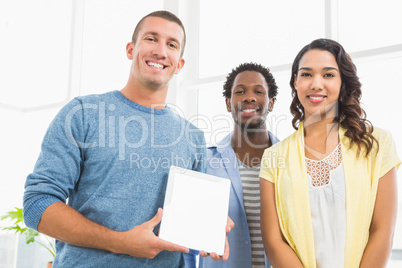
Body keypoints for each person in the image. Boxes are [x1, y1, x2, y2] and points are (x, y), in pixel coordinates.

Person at [23, 10, 233, 267]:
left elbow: (188, 226)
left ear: (179, 64)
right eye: (151, 39)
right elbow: (37, 204)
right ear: (130, 49)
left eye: (171, 44)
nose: (160, 51)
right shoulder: (83, 114)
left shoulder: (193, 138)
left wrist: (208, 225)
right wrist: (119, 241)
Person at [260, 38, 400, 268]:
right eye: (306, 74)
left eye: (328, 74)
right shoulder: (273, 157)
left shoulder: (377, 143)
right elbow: (274, 241)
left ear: (342, 81)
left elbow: (383, 229)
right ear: (295, 82)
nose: (316, 84)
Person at [198, 63, 279, 268]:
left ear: (271, 103)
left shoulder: (293, 161)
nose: (249, 97)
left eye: (258, 92)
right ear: (228, 103)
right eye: (240, 91)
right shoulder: (204, 162)